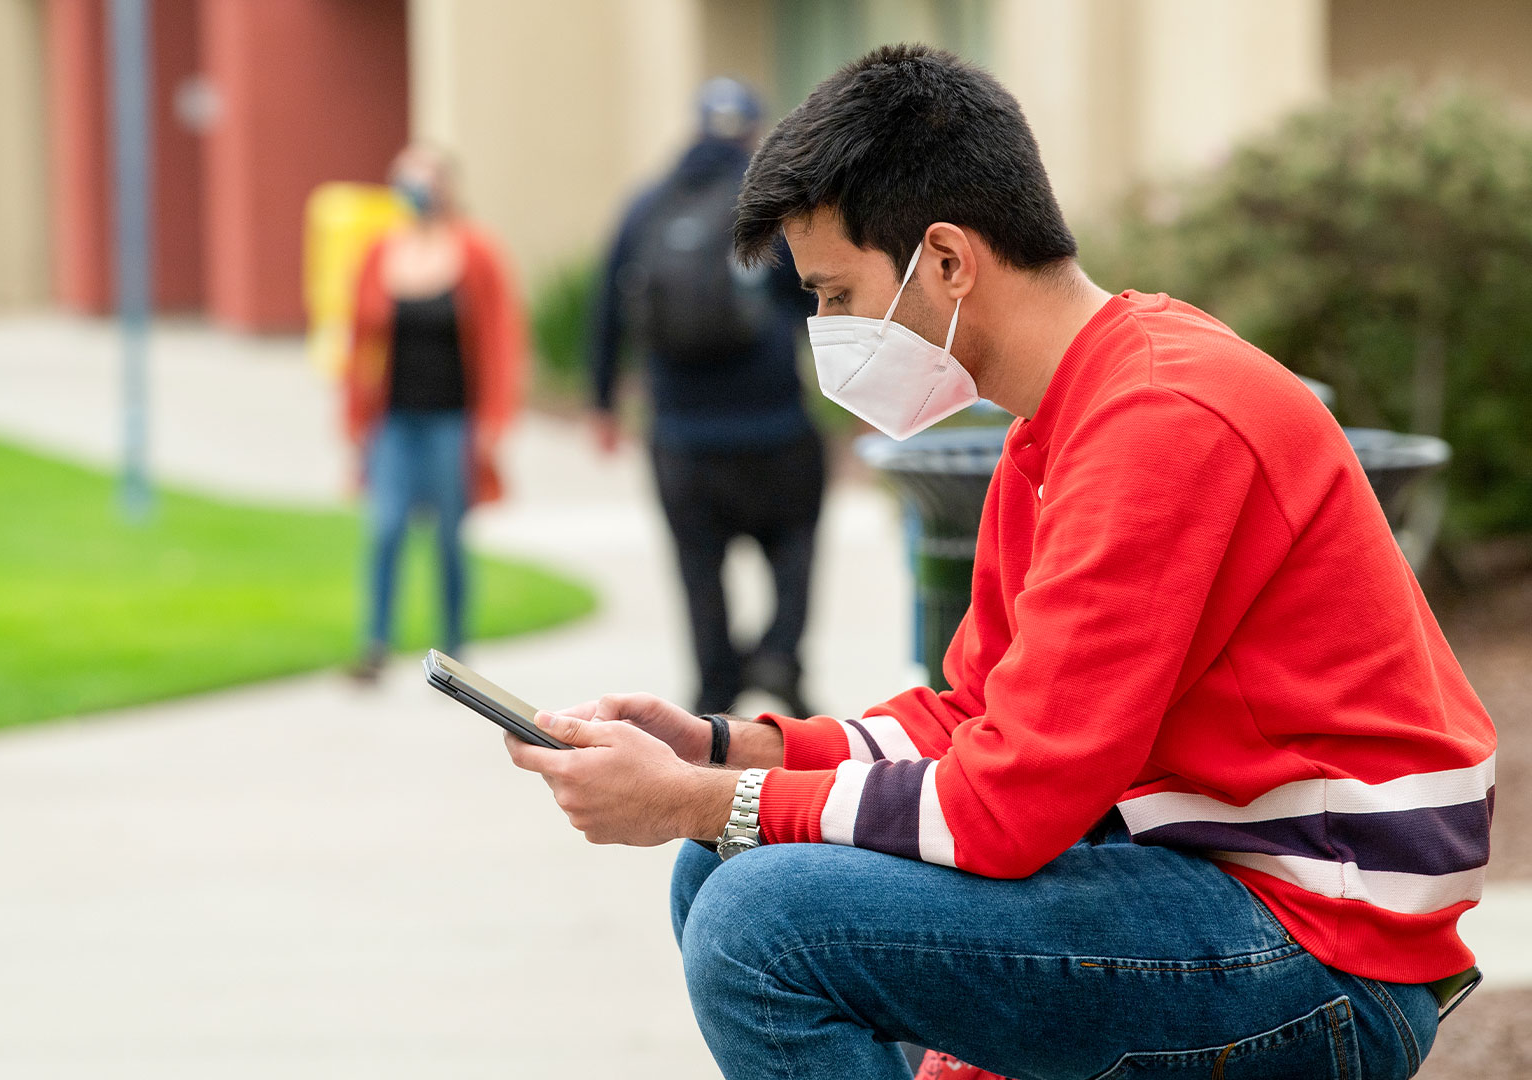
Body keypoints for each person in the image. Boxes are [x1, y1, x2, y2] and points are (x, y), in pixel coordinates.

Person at [503, 45, 1494, 1080]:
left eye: (836, 295)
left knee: (762, 919)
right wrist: (730, 749)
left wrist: (694, 798)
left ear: (944, 260)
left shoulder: (1160, 419)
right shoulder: (1063, 421)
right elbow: (971, 719)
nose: (824, 333)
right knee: (718, 874)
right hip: (1210, 884)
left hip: (1327, 953)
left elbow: (1002, 806)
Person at [590, 78, 823, 718]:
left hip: (680, 435)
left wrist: (602, 401)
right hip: (773, 425)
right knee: (795, 543)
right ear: (753, 132)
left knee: (699, 569)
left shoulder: (646, 207)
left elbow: (607, 306)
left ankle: (715, 691)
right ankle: (778, 655)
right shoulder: (771, 211)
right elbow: (817, 298)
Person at [343, 147, 527, 681]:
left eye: (423, 179)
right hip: (395, 420)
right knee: (385, 529)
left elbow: (500, 341)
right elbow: (358, 343)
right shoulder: (380, 253)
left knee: (449, 535)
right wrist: (355, 420)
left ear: (446, 186)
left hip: (454, 420)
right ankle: (374, 645)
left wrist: (494, 420)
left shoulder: (476, 253)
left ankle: (453, 652)